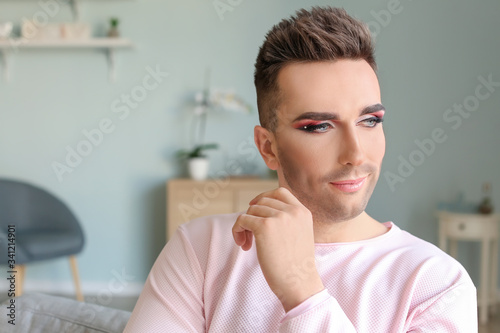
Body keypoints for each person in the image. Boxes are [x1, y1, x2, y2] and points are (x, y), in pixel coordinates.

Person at [124, 6, 477, 332]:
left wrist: (302, 290)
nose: (355, 154)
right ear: (268, 147)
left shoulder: (437, 284)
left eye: (369, 120)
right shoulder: (200, 249)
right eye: (319, 126)